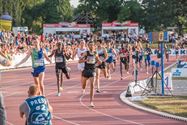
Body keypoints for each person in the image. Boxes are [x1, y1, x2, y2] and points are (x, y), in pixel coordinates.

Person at [80, 42, 101, 107]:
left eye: (92, 45)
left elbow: (98, 60)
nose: (91, 46)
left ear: (94, 46)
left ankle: (91, 102)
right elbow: (79, 61)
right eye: (90, 45)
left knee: (92, 85)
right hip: (86, 70)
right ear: (88, 46)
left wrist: (99, 62)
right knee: (84, 85)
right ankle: (83, 89)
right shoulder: (86, 53)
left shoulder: (95, 53)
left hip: (92, 70)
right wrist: (85, 60)